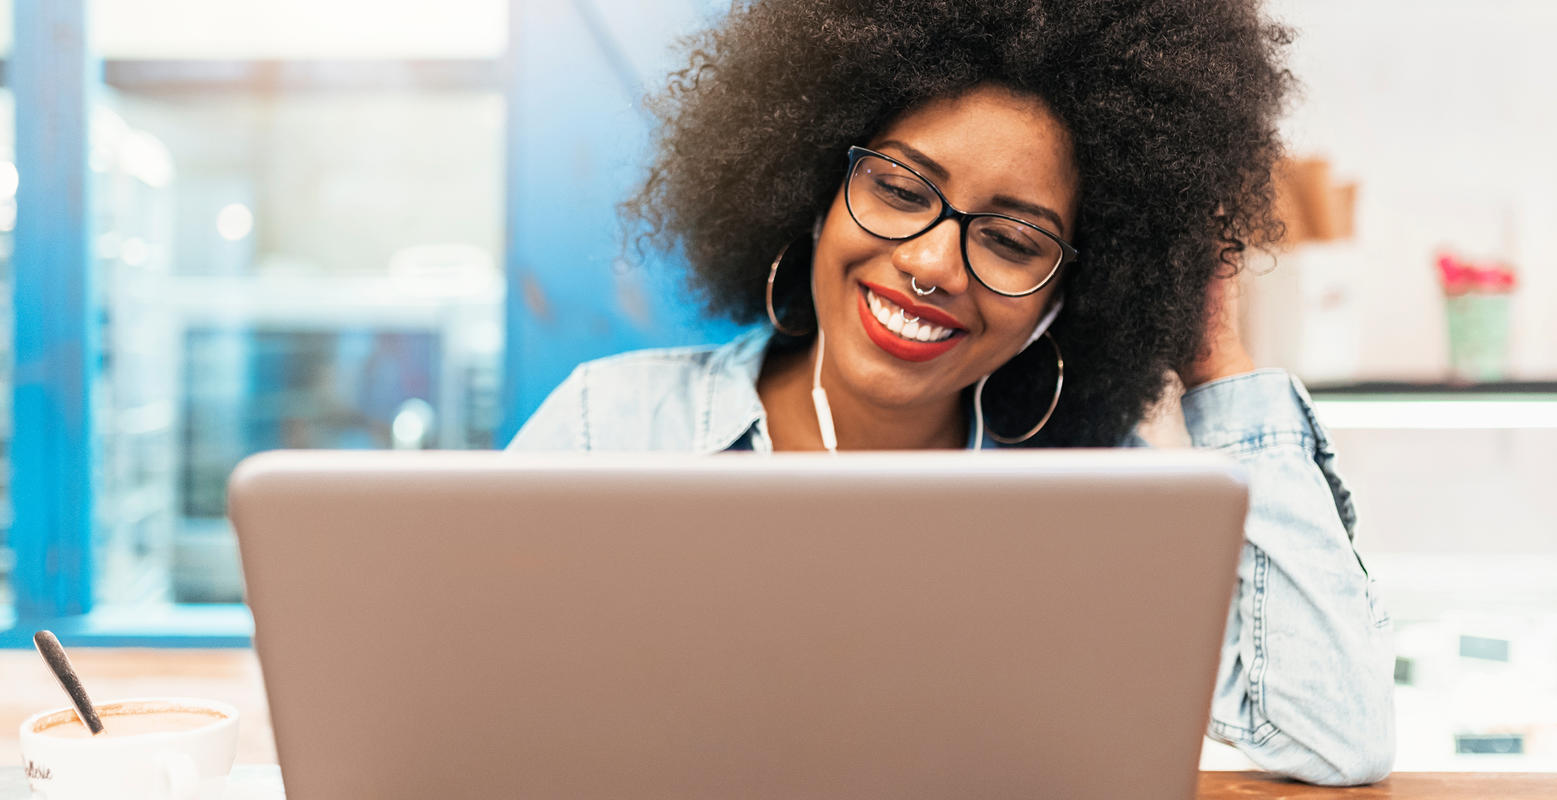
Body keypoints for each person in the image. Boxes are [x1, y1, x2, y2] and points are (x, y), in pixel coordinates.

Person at [507, 0, 1394, 785]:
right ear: (813, 183)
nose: (931, 264)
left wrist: (1217, 361)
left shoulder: (1095, 498)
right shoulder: (609, 427)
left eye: (1012, 242)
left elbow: (1331, 736)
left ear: (1068, 299)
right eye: (897, 189)